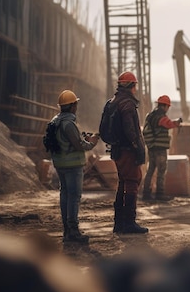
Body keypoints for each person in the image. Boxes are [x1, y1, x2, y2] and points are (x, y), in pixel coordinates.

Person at [49, 89, 99, 243]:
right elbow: (78, 145)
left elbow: (66, 142)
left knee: (65, 195)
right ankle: (73, 232)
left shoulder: (55, 121)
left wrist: (82, 138)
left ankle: (67, 231)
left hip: (60, 164)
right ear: (71, 106)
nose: (76, 107)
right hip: (73, 165)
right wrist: (92, 142)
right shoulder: (69, 123)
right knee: (74, 197)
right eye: (75, 104)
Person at [108, 71, 149, 234]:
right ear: (132, 86)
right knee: (132, 182)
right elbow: (130, 129)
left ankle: (119, 223)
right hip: (127, 150)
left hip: (117, 149)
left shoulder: (114, 101)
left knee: (123, 183)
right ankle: (129, 223)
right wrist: (138, 147)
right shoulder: (127, 103)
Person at [142, 95, 182, 201]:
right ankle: (160, 194)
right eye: (167, 106)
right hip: (159, 148)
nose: (168, 109)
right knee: (161, 171)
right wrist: (176, 123)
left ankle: (146, 193)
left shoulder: (150, 115)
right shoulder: (160, 116)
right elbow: (167, 123)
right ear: (164, 106)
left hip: (151, 147)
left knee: (150, 170)